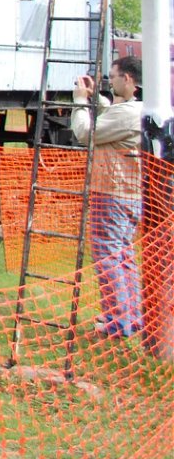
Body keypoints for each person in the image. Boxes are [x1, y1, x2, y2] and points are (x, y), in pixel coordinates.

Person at [73, 55, 145, 337]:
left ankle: (117, 321)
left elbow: (85, 133)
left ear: (127, 78)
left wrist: (80, 101)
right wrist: (96, 99)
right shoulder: (136, 109)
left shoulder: (127, 114)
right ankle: (130, 316)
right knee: (122, 255)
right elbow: (114, 115)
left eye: (113, 77)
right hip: (128, 193)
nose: (110, 81)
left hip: (112, 193)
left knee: (107, 256)